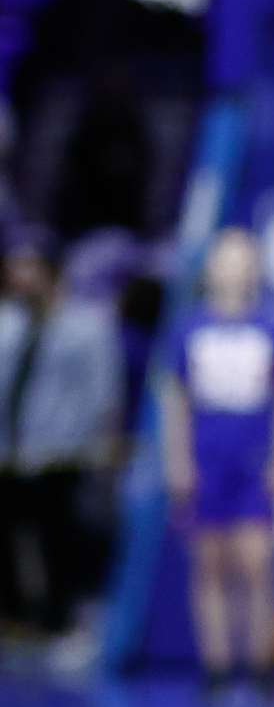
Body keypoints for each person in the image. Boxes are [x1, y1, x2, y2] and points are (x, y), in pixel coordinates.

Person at [157, 227, 274, 696]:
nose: (232, 267)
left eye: (242, 258)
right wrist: (177, 461)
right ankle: (216, 666)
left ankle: (261, 663)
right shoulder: (189, 328)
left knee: (255, 560)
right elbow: (174, 401)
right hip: (207, 456)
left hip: (252, 457)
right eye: (224, 257)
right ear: (210, 267)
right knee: (208, 562)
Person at [0, 240, 124, 645]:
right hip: (9, 452)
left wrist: (88, 445)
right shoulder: (7, 323)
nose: (21, 280)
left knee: (60, 539)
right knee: (8, 536)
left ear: (53, 276)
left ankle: (59, 623)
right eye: (16, 271)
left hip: (60, 455)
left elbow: (102, 393)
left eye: (30, 270)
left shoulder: (87, 326)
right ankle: (15, 619)